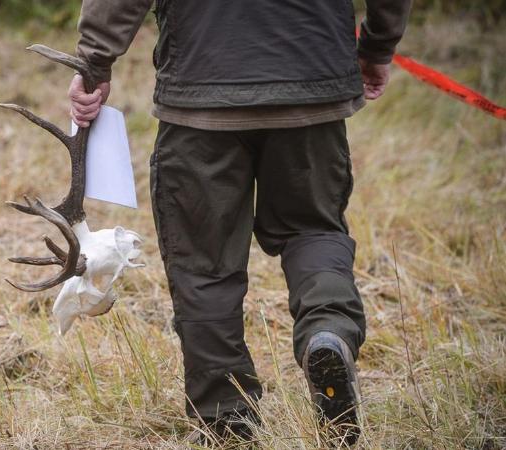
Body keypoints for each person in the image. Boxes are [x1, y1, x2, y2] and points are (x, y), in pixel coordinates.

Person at [67, 0, 411, 445]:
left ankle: (227, 420)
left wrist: (95, 62)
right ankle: (328, 332)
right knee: (312, 231)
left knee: (202, 262)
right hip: (312, 82)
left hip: (201, 88)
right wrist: (378, 46)